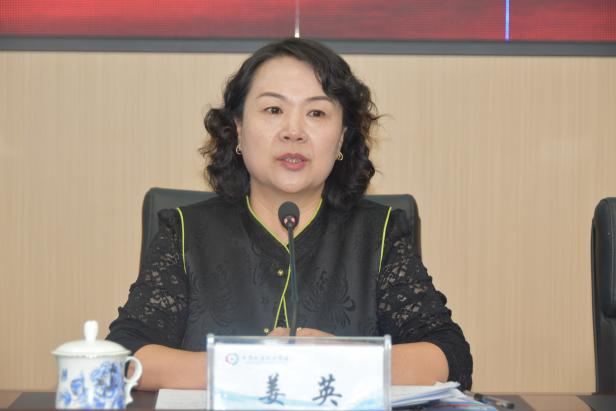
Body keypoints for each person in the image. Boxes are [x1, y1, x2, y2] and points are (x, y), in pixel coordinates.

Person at [107, 38, 473, 391]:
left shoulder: (379, 233)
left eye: (316, 113)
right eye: (273, 110)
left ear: (341, 136)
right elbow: (124, 355)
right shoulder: (185, 232)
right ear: (238, 128)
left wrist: (347, 361)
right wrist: (245, 365)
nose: (294, 132)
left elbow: (450, 355)